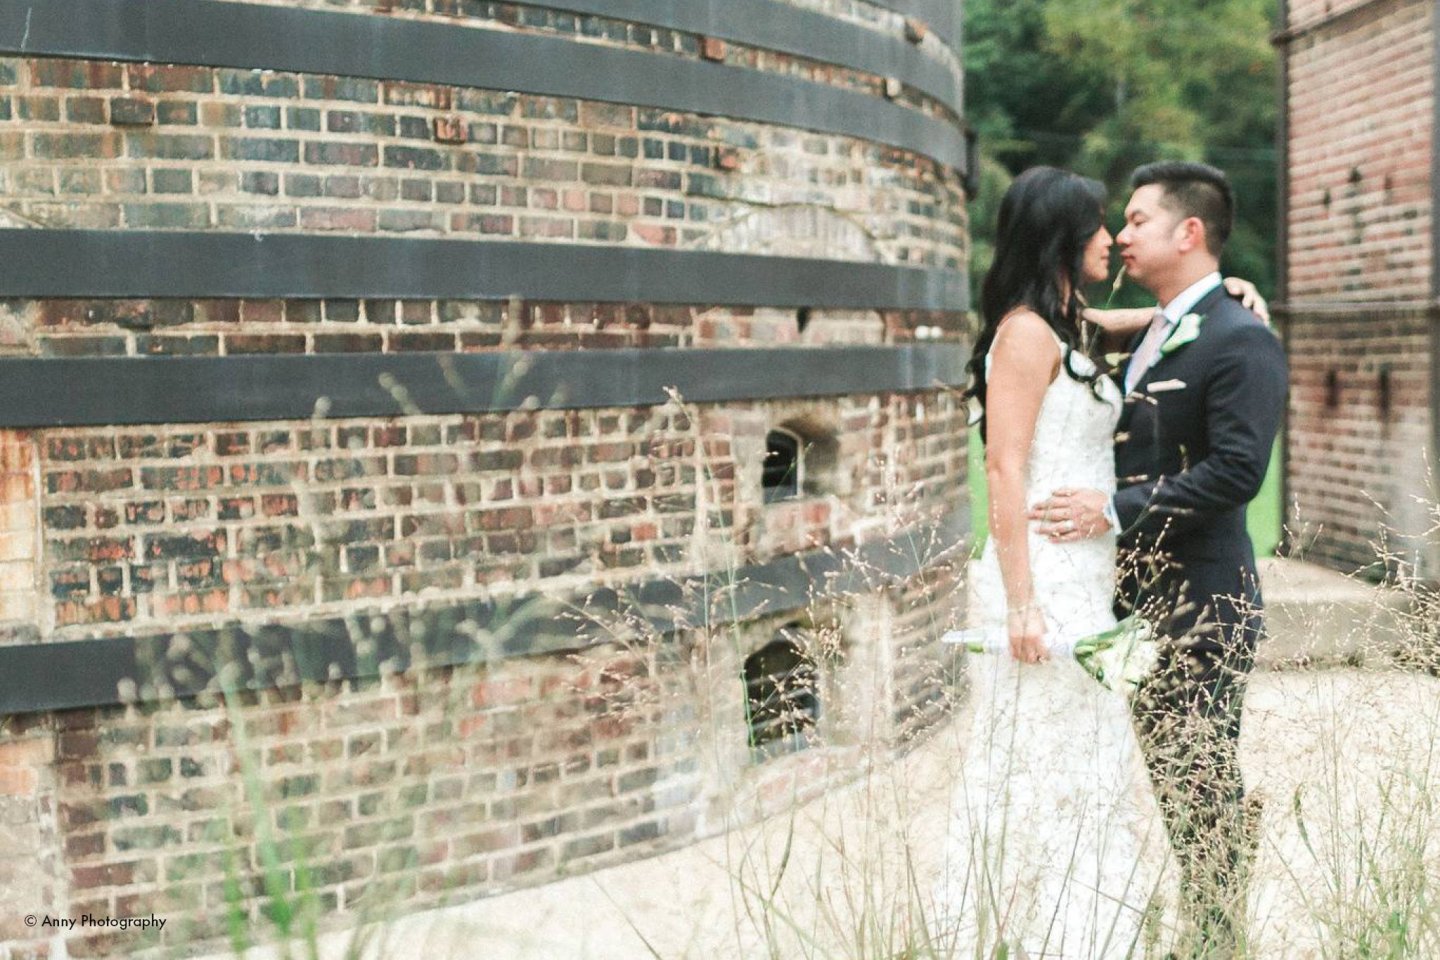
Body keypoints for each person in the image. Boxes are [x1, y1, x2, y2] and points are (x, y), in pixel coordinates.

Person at [1029, 161, 1288, 958]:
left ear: (1190, 232)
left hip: (1204, 608)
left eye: (1138, 219)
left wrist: (1112, 511)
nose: (1122, 234)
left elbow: (1240, 471)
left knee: (1201, 791)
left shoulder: (1242, 341)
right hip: (1137, 606)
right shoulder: (1161, 326)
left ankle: (1215, 944)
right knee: (1176, 790)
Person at [935, 165, 1174, 960]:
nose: (1112, 238)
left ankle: (1086, 929)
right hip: (1041, 573)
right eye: (1101, 226)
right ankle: (1037, 934)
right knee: (1036, 757)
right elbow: (1003, 467)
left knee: (1086, 758)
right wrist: (1020, 604)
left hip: (1087, 572)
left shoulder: (1068, 322)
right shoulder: (1026, 333)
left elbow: (1120, 322)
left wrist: (1213, 294)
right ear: (1065, 239)